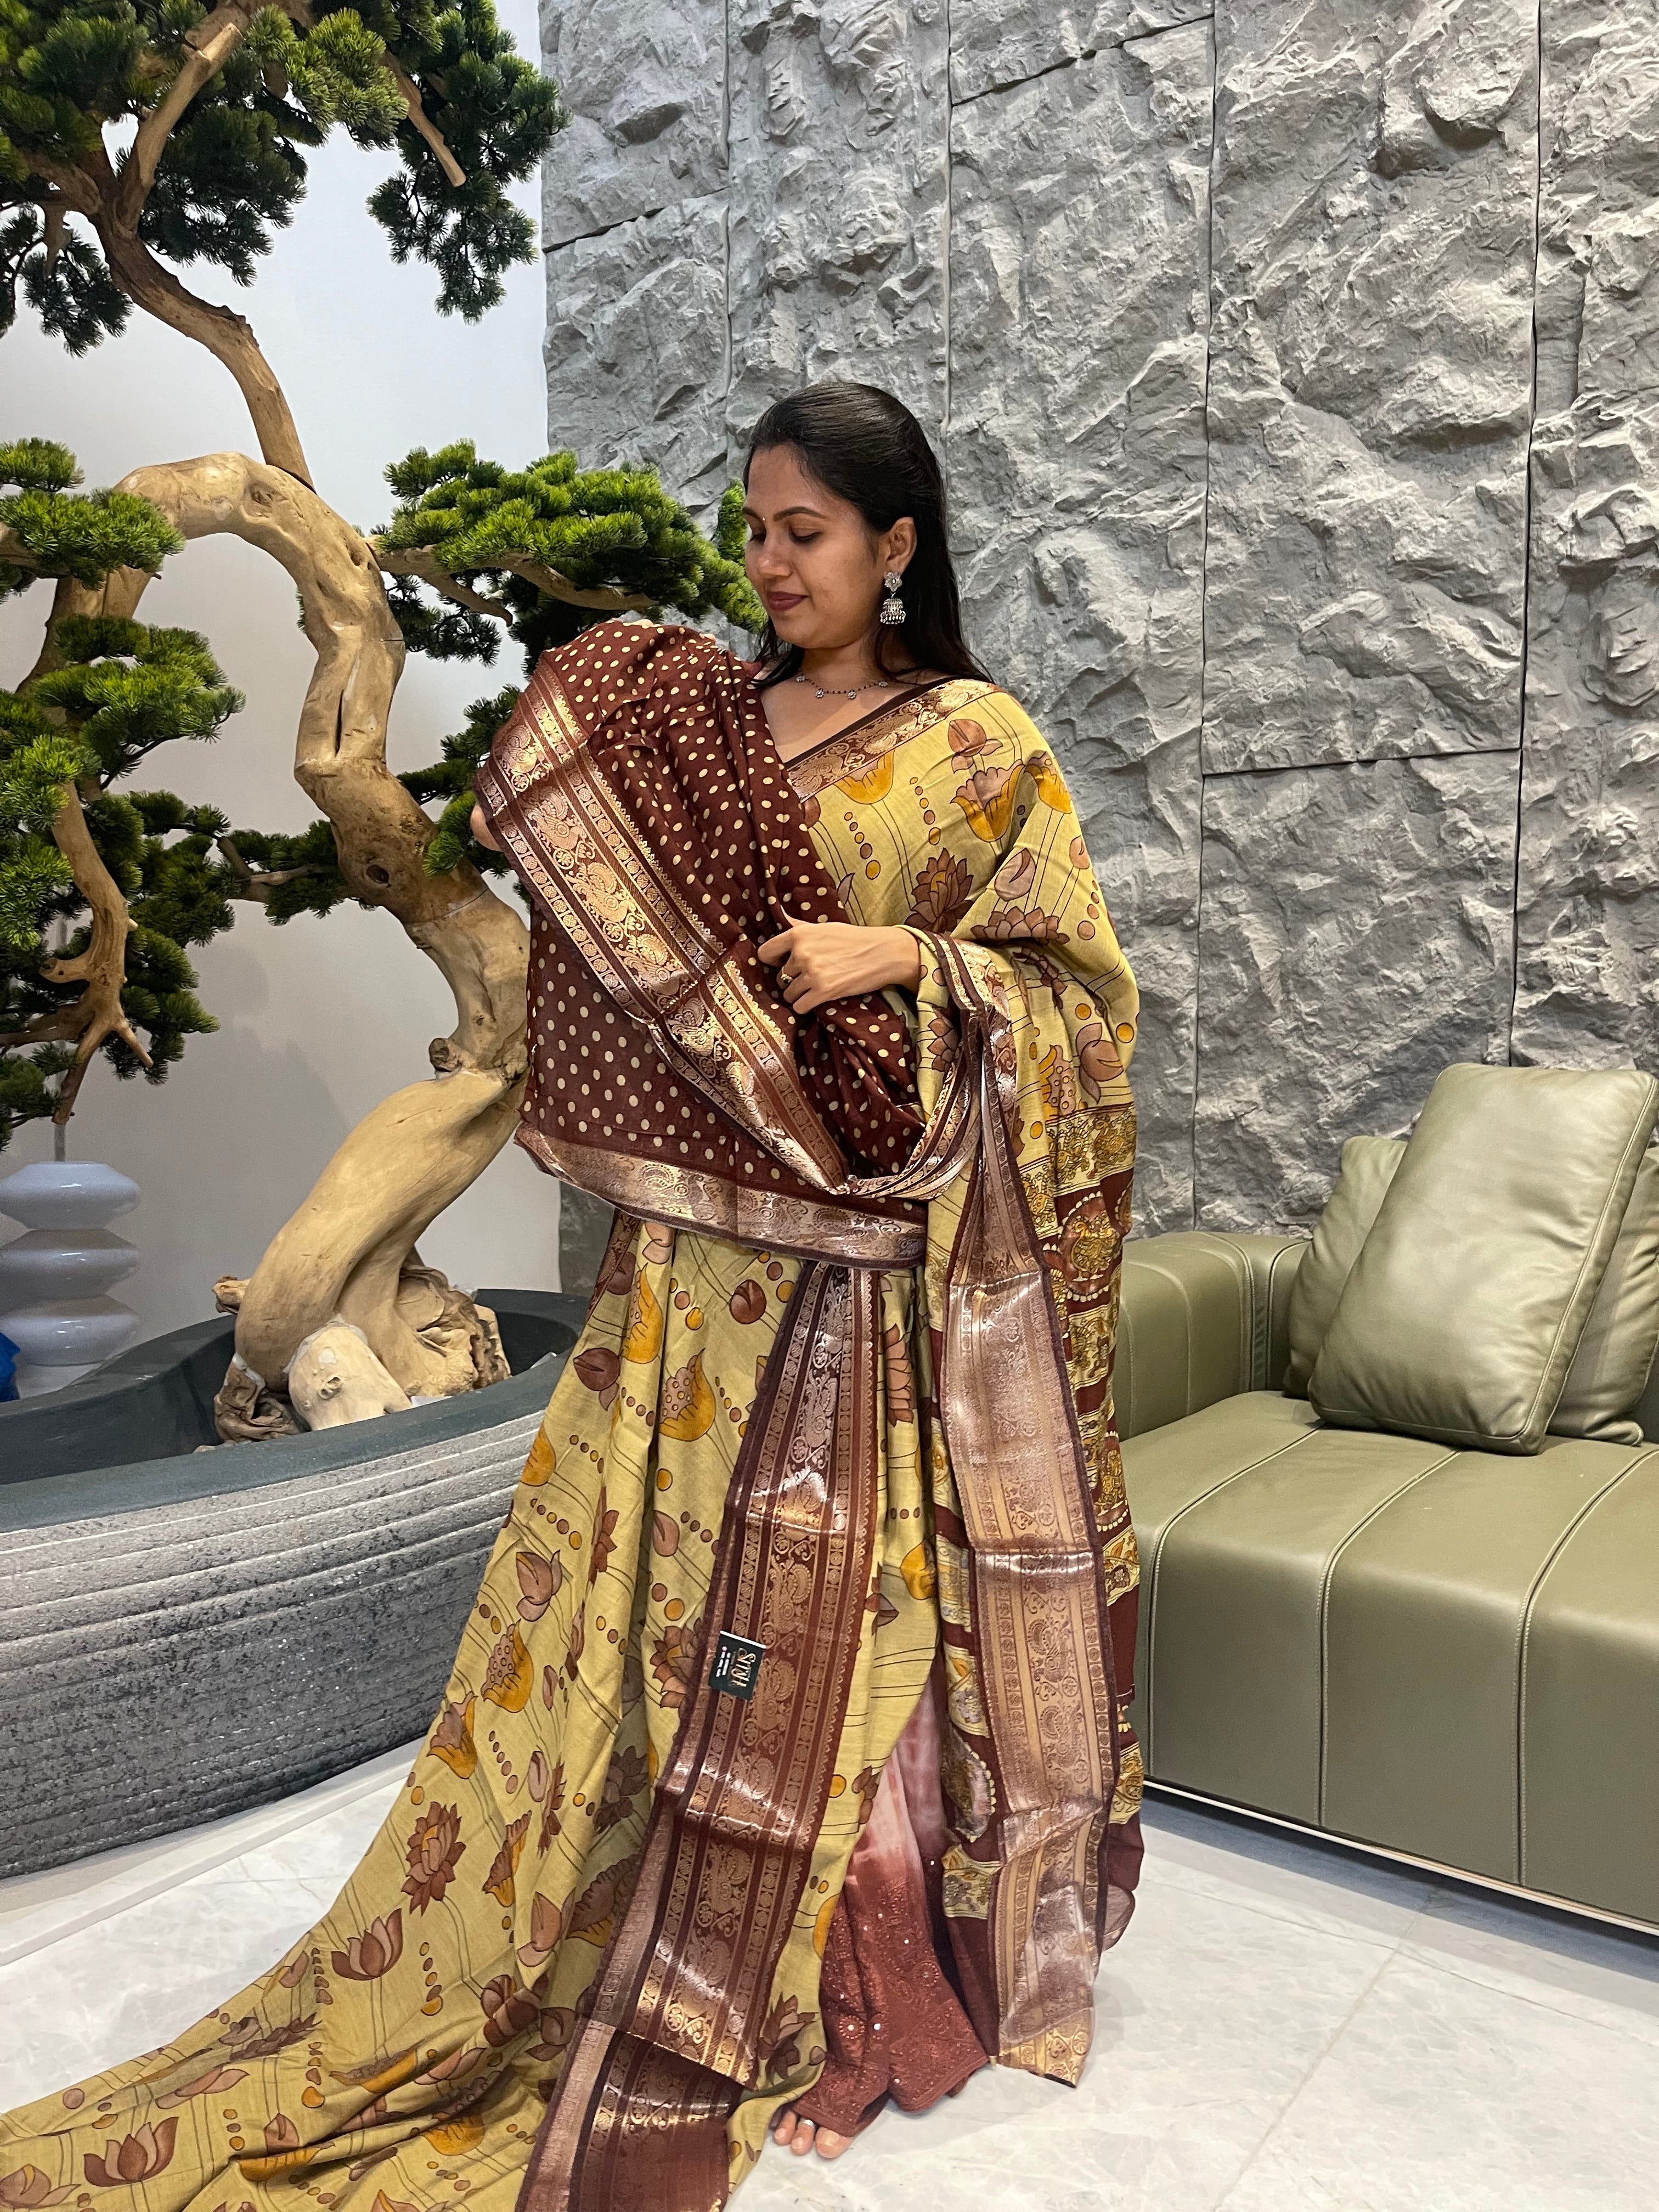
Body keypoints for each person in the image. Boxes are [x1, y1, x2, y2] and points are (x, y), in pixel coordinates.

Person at [0, 383, 1144, 2212]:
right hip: (690, 1278)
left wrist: (913, 957)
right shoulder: (707, 730)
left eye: (809, 534)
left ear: (899, 544)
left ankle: (850, 1966)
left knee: (848, 1639)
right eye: (756, 529)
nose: (770, 567)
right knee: (655, 1625)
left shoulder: (978, 745)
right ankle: (606, 1927)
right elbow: (627, 982)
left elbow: (1083, 1005)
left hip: (864, 1301)